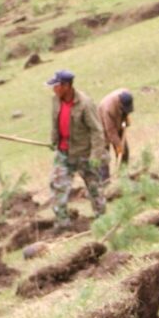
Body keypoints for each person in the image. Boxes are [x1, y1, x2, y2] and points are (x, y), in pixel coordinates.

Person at [46, 69, 108, 228]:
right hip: (63, 153)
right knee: (57, 185)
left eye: (57, 86)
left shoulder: (85, 104)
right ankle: (62, 222)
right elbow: (56, 123)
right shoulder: (56, 100)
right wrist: (54, 140)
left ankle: (103, 221)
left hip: (84, 154)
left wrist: (96, 155)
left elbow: (97, 130)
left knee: (94, 188)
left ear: (66, 86)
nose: (54, 89)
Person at [99, 88, 134, 169]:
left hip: (118, 122)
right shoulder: (108, 109)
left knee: (124, 151)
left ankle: (122, 174)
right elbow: (110, 131)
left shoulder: (127, 94)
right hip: (103, 128)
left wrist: (126, 117)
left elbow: (126, 110)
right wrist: (118, 145)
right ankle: (105, 180)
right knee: (104, 155)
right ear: (120, 104)